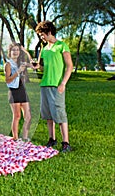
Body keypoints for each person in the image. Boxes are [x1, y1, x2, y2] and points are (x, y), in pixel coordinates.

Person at [35, 20, 73, 152]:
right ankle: (52, 139)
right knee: (48, 115)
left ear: (49, 32)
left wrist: (63, 83)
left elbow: (70, 66)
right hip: (45, 84)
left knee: (60, 113)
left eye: (42, 35)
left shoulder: (62, 46)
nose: (42, 38)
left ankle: (66, 143)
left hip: (57, 85)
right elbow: (43, 68)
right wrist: (37, 66)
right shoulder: (44, 49)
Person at [4, 43, 32, 141]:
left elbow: (33, 64)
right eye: (13, 50)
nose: (15, 52)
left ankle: (25, 136)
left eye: (17, 50)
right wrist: (18, 71)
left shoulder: (21, 63)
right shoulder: (8, 64)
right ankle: (15, 137)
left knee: (28, 116)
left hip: (22, 91)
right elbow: (7, 80)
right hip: (14, 92)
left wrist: (26, 51)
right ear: (10, 52)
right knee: (17, 116)